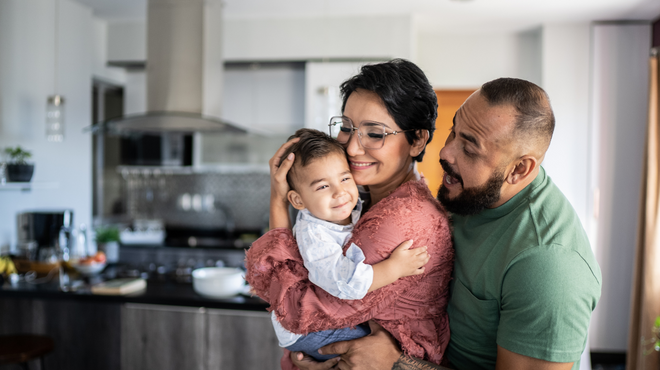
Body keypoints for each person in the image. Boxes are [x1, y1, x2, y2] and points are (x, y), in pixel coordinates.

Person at [316, 78, 603, 370]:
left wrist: (395, 363)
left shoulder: (548, 266)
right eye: (454, 131)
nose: (445, 152)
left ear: (519, 169)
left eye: (469, 148)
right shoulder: (470, 197)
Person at [244, 59, 455, 370]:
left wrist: (278, 203)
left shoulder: (398, 220)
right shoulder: (360, 200)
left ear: (418, 140)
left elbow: (297, 310)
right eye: (346, 128)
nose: (353, 148)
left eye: (375, 134)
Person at [264, 128, 431, 361]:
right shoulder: (315, 235)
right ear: (298, 200)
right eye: (323, 186)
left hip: (308, 326)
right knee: (371, 348)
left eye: (345, 178)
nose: (340, 192)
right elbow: (344, 283)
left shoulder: (337, 209)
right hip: (307, 332)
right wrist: (395, 268)